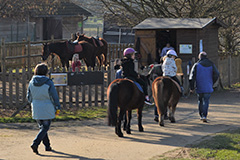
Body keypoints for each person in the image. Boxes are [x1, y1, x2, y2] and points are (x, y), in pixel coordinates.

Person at [27, 63, 61, 154]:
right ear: (46, 72)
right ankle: (35, 143)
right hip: (47, 106)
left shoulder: (31, 82)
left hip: (36, 107)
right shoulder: (49, 82)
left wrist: (34, 102)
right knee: (45, 127)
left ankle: (47, 146)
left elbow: (29, 97)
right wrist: (57, 106)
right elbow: (54, 96)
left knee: (43, 128)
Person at [189, 51, 219, 122]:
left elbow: (191, 77)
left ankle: (201, 115)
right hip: (208, 86)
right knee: (206, 101)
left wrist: (192, 87)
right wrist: (212, 82)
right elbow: (217, 74)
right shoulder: (211, 64)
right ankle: (204, 115)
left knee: (200, 100)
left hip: (199, 86)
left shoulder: (197, 65)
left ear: (199, 57)